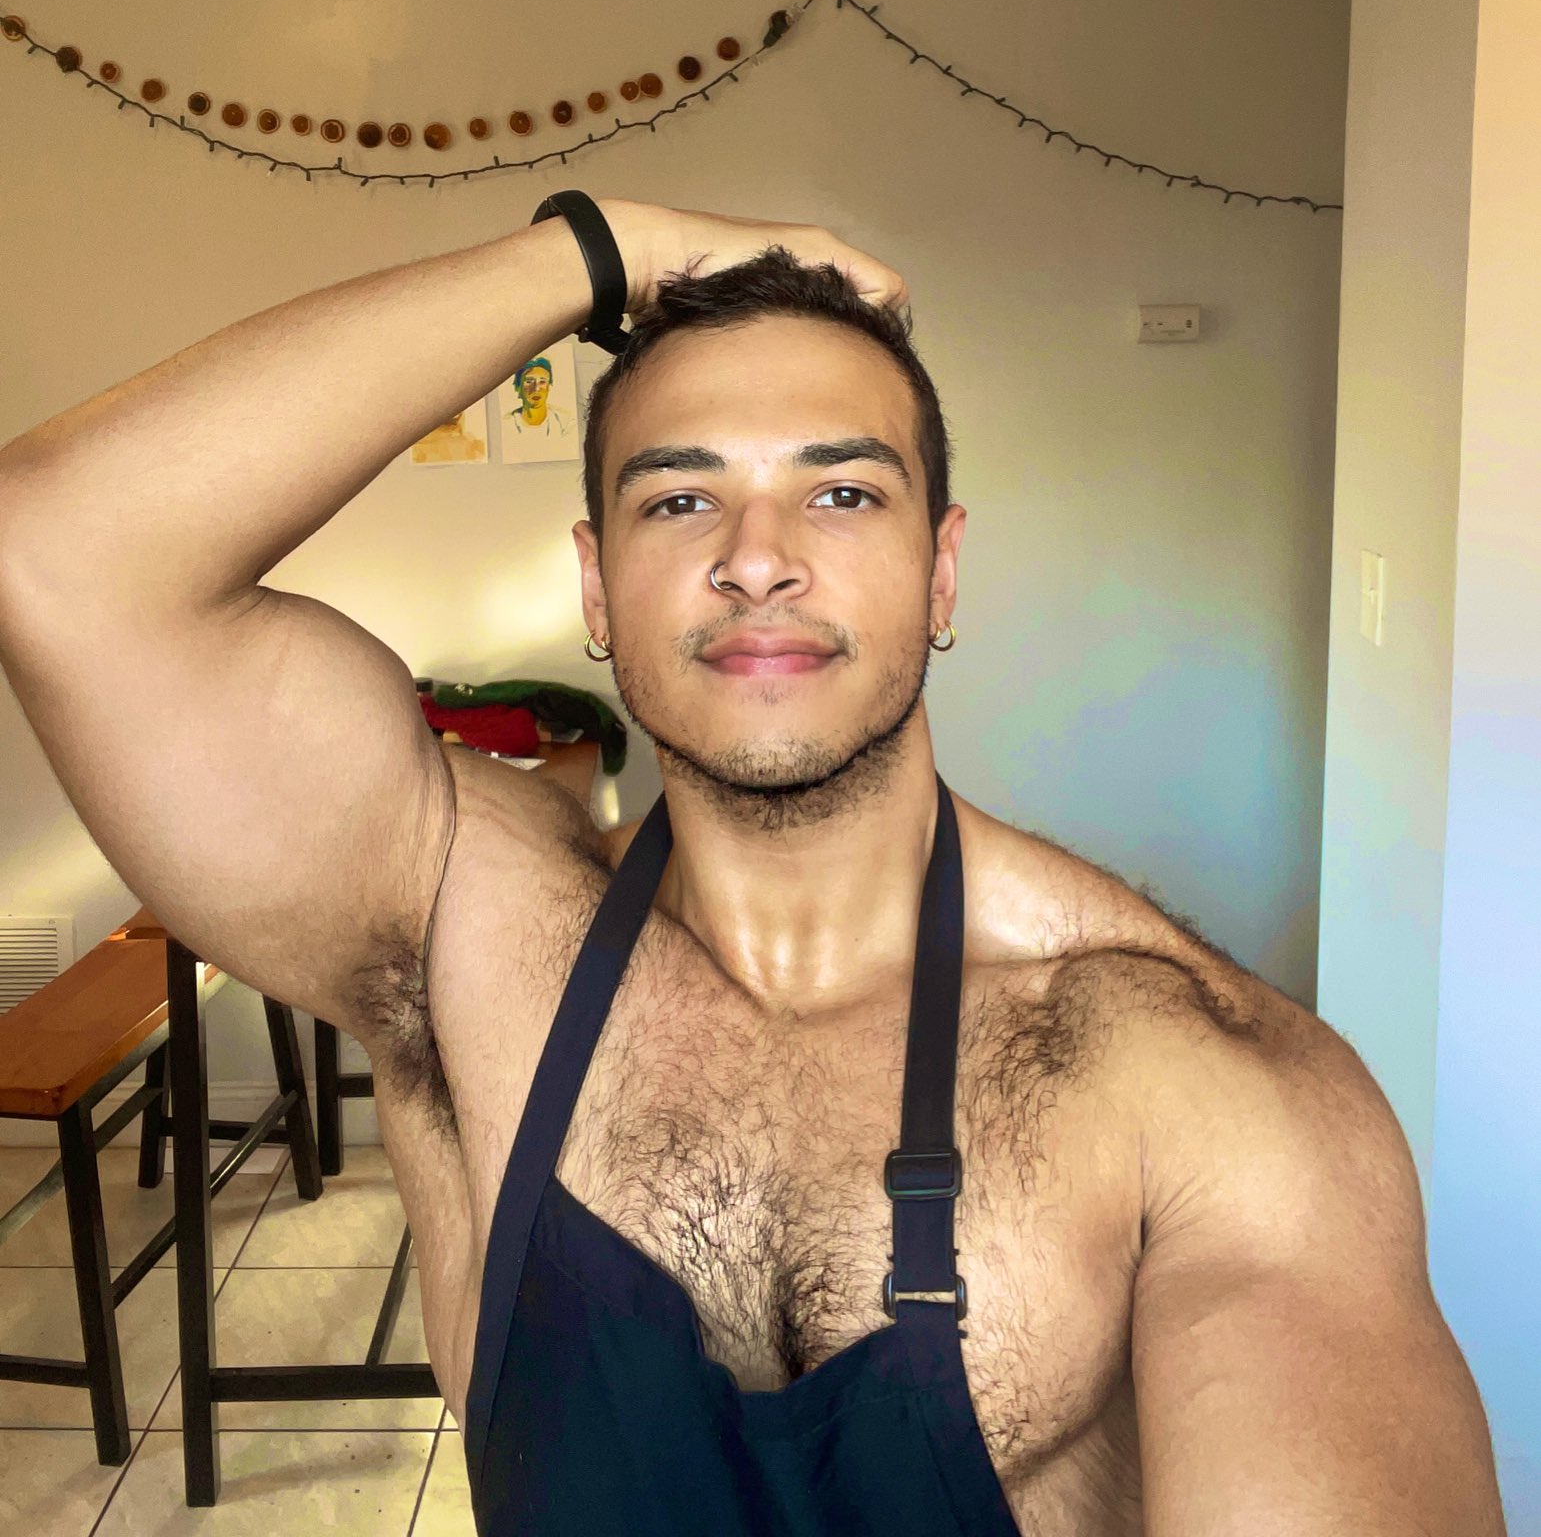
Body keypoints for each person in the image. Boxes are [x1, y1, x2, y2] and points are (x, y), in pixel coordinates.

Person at [0, 198, 1506, 1535]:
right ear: (597, 586)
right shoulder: (462, 925)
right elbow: (56, 551)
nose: (759, 556)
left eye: (841, 493)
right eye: (679, 497)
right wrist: (600, 253)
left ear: (942, 572)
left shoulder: (1191, 1073)